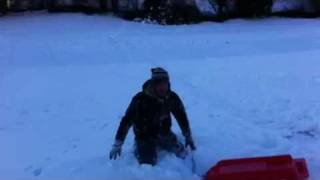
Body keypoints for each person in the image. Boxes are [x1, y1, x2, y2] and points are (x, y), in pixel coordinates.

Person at [109, 67, 196, 165]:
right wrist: (118, 143)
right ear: (153, 84)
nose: (162, 87)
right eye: (159, 84)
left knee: (183, 154)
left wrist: (188, 136)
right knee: (148, 164)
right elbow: (126, 120)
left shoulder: (171, 97)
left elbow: (181, 117)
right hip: (144, 136)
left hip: (164, 133)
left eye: (165, 83)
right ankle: (138, 147)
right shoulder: (140, 99)